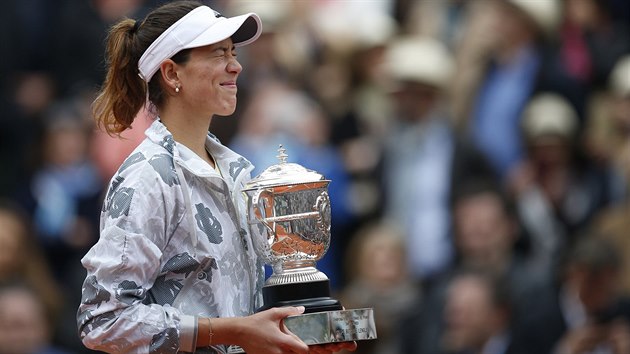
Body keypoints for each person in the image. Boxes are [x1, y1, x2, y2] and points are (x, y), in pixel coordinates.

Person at [76, 2, 356, 354]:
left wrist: (307, 333)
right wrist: (233, 332)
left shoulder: (239, 170)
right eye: (218, 54)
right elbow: (103, 320)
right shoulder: (146, 178)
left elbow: (242, 318)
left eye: (234, 52)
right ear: (172, 73)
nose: (236, 66)